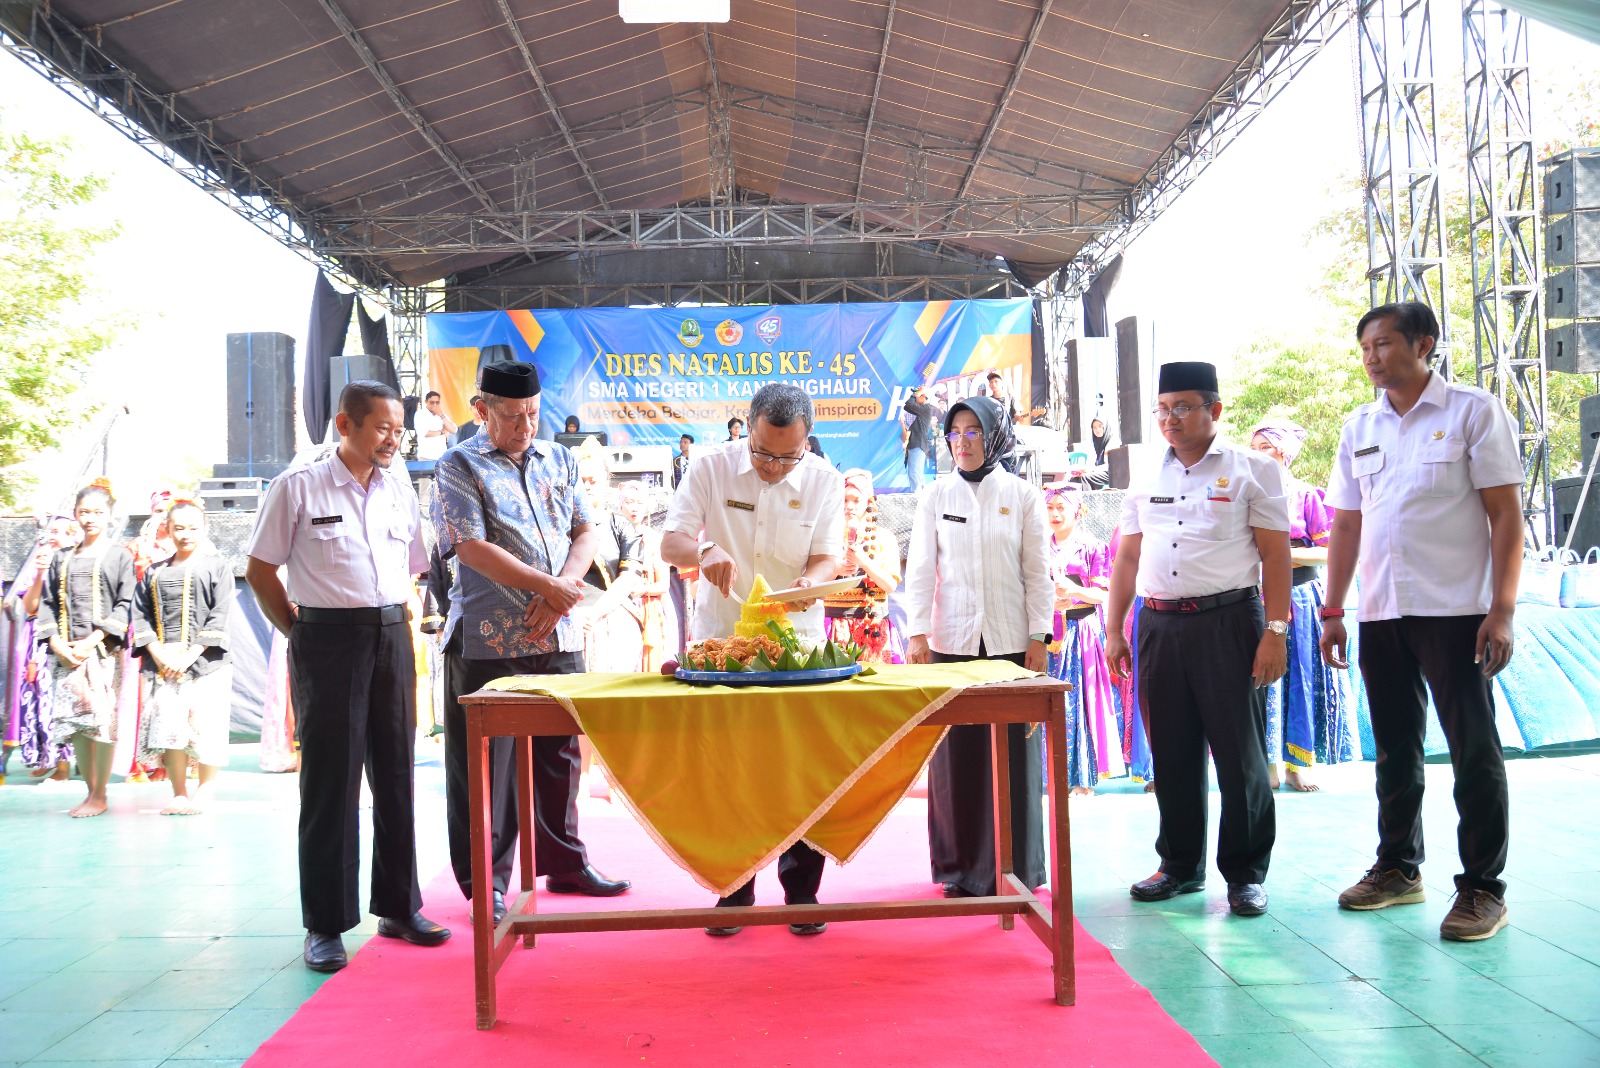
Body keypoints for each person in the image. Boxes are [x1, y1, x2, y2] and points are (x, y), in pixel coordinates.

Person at [1320, 302, 1524, 942]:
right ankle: (1399, 869)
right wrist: (1333, 609)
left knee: (1473, 750)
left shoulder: (1472, 411)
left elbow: (1506, 516)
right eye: (1364, 348)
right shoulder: (1360, 426)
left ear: (1423, 344)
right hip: (1382, 611)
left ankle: (1483, 889)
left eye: (1382, 344)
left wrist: (1503, 609)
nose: (1371, 357)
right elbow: (1347, 525)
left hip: (1458, 611)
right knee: (1394, 750)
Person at [245, 380, 450, 973]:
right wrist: (299, 633)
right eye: (382, 427)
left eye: (399, 428)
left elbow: (412, 566)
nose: (393, 438)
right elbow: (260, 570)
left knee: (395, 775)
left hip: (390, 635)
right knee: (331, 785)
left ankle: (399, 907)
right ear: (345, 424)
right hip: (325, 640)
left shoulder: (399, 489)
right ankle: (325, 925)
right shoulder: (298, 487)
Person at [431, 360, 631, 929]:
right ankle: (486, 885)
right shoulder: (456, 465)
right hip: (490, 641)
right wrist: (549, 587)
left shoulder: (559, 458)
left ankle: (564, 863)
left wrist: (563, 589)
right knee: (486, 768)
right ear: (482, 410)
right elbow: (468, 546)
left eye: (534, 414)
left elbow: (586, 530)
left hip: (559, 631)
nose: (526, 426)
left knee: (560, 755)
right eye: (513, 416)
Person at [1104, 361, 1291, 919]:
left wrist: (1275, 632)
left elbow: (1276, 555)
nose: (1170, 419)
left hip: (1230, 622)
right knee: (1173, 752)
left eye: (1183, 407)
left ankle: (1246, 874)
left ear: (1215, 409)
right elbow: (1128, 556)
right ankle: (1180, 866)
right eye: (1162, 409)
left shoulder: (1254, 469)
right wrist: (1116, 628)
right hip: (1159, 624)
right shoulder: (1145, 474)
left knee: (1241, 756)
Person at [662, 382, 844, 936]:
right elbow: (670, 542)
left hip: (796, 647)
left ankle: (801, 891)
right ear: (748, 429)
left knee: (801, 768)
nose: (773, 465)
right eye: (764, 452)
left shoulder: (824, 481)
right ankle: (734, 889)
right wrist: (705, 550)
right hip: (725, 644)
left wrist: (809, 584)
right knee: (729, 768)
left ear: (807, 441)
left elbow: (828, 557)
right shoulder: (710, 468)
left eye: (788, 455)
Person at [902, 394, 1051, 899]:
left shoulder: (1023, 495)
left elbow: (1038, 572)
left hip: (1011, 645)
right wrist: (917, 633)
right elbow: (920, 569)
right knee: (956, 763)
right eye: (955, 433)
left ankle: (1019, 867)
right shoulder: (936, 496)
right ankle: (962, 870)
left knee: (1015, 759)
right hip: (951, 641)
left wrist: (1038, 636)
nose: (963, 442)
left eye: (974, 432)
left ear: (994, 435)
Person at [1248, 417, 1354, 791]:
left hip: (1300, 595)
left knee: (1301, 678)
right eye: (1254, 448)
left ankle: (1298, 763)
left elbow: (1331, 550)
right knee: (1260, 676)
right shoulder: (1246, 494)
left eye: (1265, 448)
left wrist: (1290, 557)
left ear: (1284, 454)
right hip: (1256, 596)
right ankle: (1268, 761)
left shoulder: (1308, 496)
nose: (1257, 454)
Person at [23, 481, 136, 818]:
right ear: (75, 515)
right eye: (84, 512)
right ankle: (90, 791)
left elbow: (125, 604)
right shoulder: (60, 559)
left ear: (109, 515)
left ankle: (100, 795)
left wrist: (91, 641)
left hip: (102, 654)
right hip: (65, 657)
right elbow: (45, 606)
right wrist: (57, 643)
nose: (90, 518)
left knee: (101, 724)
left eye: (97, 512)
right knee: (77, 727)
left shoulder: (119, 556)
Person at [132, 501, 234, 815]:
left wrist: (189, 655)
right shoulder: (154, 572)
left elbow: (219, 615)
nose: (185, 534)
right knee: (170, 728)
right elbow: (141, 616)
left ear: (204, 529)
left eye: (192, 528)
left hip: (206, 663)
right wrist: (160, 654)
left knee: (207, 727)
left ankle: (205, 789)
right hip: (164, 665)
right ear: (168, 529)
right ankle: (178, 793)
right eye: (179, 528)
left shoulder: (218, 567)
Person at [1042, 483, 1121, 795]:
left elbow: (1105, 594)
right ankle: (1048, 774)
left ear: (1077, 510)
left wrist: (1072, 592)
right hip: (1047, 633)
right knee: (1049, 701)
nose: (1055, 514)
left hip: (1081, 633)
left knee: (1080, 701)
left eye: (1061, 507)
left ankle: (1082, 779)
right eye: (1050, 508)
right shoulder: (1036, 547)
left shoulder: (1093, 547)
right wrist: (1050, 599)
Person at [4, 515, 81, 782]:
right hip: (37, 640)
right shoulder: (38, 561)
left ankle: (64, 766)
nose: (53, 536)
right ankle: (46, 758)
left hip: (68, 635)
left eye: (60, 531)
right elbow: (30, 606)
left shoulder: (78, 562)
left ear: (73, 535)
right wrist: (39, 573)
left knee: (62, 700)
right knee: (38, 700)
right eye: (51, 531)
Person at [574, 441, 645, 673]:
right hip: (567, 615)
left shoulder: (620, 525)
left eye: (592, 481)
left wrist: (594, 614)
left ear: (606, 479)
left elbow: (628, 579)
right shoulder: (557, 523)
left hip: (613, 615)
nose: (587, 486)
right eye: (581, 481)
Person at [824, 469, 903, 663]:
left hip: (873, 630)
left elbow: (890, 586)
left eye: (856, 500)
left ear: (868, 503)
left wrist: (864, 562)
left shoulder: (884, 537)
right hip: (833, 627)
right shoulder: (826, 537)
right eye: (844, 500)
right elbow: (812, 585)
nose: (849, 506)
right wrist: (836, 570)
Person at [616, 480, 676, 673]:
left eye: (639, 503)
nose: (634, 508)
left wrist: (641, 589)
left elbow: (663, 585)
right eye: (629, 502)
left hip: (648, 610)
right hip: (617, 608)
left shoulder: (654, 539)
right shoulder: (610, 537)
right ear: (620, 505)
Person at [902, 384, 942, 491]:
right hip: (915, 444)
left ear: (924, 397)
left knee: (914, 474)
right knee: (916, 474)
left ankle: (917, 499)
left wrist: (918, 393)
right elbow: (906, 406)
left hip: (918, 444)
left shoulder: (926, 408)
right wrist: (917, 394)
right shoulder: (921, 409)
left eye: (918, 396)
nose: (915, 397)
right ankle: (921, 497)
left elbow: (909, 404)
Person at [414, 391, 457, 462]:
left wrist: (441, 415)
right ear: (426, 402)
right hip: (426, 456)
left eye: (437, 402)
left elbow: (453, 430)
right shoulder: (420, 414)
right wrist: (442, 432)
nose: (435, 405)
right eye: (432, 402)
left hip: (441, 456)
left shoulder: (442, 414)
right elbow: (424, 433)